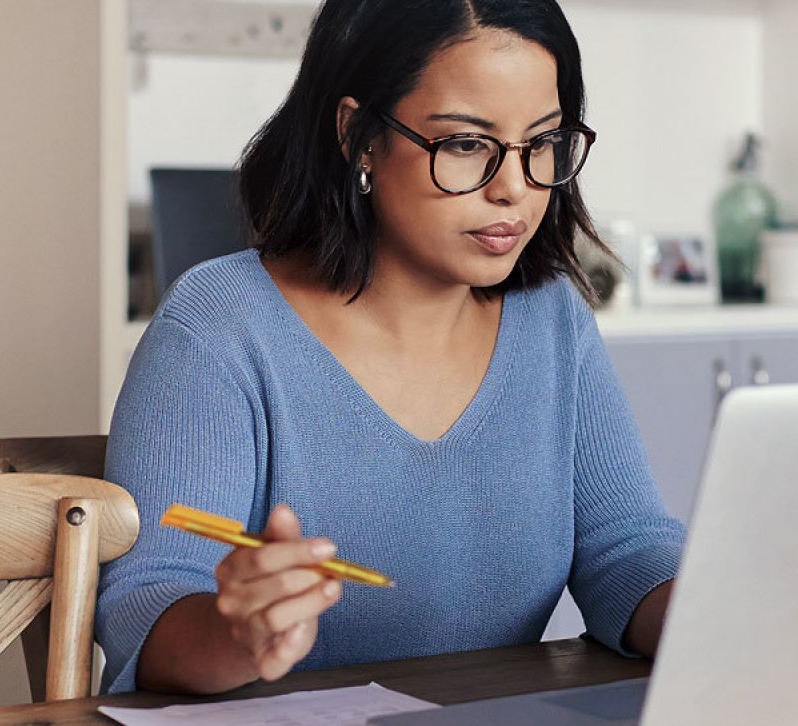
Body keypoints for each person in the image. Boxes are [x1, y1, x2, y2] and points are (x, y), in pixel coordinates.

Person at [96, 0, 687, 695]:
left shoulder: (552, 317)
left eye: (542, 144)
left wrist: (725, 613)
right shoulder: (219, 327)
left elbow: (625, 549)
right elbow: (147, 608)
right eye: (466, 145)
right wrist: (238, 633)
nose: (515, 189)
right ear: (359, 136)